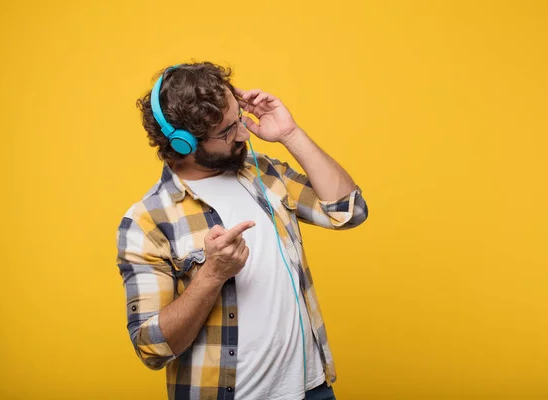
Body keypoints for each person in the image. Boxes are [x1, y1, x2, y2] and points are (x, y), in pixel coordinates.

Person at [116, 62, 368, 400]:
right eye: (227, 131)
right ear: (182, 145)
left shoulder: (264, 173)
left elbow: (349, 212)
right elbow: (153, 348)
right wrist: (212, 274)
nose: (245, 134)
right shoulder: (147, 221)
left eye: (239, 119)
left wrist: (290, 134)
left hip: (312, 391)